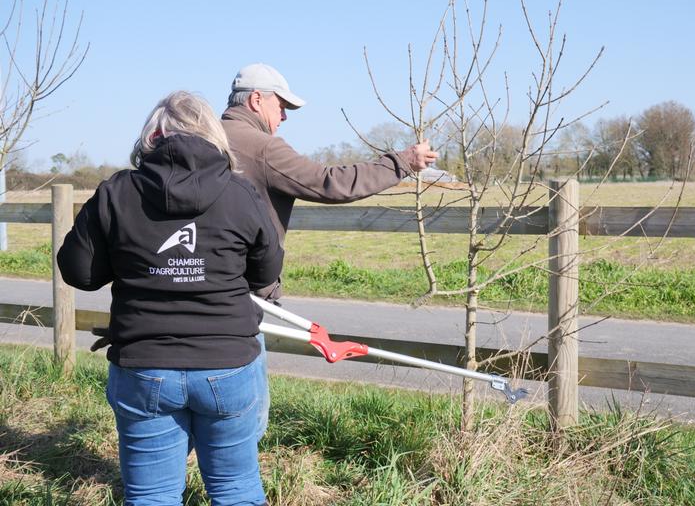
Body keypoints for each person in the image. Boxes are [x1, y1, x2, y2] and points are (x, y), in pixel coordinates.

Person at [57, 91, 282, 506]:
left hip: (144, 367)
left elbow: (79, 272)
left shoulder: (115, 193)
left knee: (152, 496)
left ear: (152, 136)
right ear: (214, 136)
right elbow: (265, 273)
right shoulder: (241, 192)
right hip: (228, 365)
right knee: (237, 490)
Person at [221, 62, 438, 437]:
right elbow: (329, 184)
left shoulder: (201, 138)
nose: (284, 116)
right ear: (256, 100)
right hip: (238, 303)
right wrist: (402, 162)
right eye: (280, 105)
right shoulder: (261, 147)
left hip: (180, 296)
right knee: (243, 425)